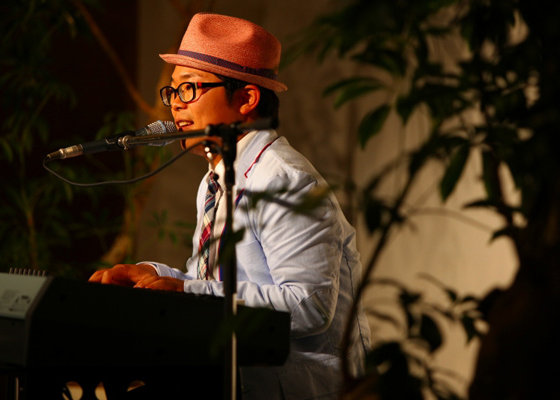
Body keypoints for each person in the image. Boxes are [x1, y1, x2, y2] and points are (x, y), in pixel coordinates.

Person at [89, 12, 371, 399]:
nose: (176, 105)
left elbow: (309, 305)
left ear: (246, 99)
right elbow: (211, 284)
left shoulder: (285, 182)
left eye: (189, 89)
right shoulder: (216, 179)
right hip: (237, 378)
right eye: (173, 92)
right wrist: (151, 276)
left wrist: (186, 292)